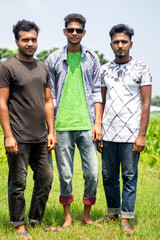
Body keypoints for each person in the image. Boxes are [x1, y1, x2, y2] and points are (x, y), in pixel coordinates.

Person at [0, 20, 57, 239]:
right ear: (17, 41)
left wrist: (51, 131)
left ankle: (34, 221)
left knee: (46, 179)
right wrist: (8, 136)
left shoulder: (42, 67)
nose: (30, 43)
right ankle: (18, 225)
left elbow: (48, 101)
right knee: (18, 183)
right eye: (25, 40)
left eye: (33, 39)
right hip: (18, 137)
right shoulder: (8, 67)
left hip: (41, 137)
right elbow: (2, 103)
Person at [46, 13, 102, 229]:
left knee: (92, 173)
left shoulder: (93, 58)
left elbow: (97, 92)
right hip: (62, 125)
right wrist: (50, 130)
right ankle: (68, 217)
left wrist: (98, 123)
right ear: (65, 32)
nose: (75, 33)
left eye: (79, 30)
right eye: (71, 29)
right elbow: (49, 97)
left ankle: (86, 216)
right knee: (66, 175)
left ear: (84, 33)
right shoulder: (52, 59)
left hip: (87, 125)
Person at [100, 24, 152, 234]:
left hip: (131, 134)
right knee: (108, 176)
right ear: (111, 44)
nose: (120, 45)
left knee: (129, 176)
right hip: (108, 133)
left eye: (124, 42)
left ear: (131, 44)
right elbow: (101, 103)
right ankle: (113, 213)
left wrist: (141, 135)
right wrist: (99, 130)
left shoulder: (142, 68)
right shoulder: (104, 69)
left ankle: (126, 218)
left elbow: (146, 103)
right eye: (116, 42)